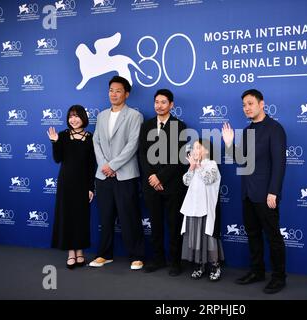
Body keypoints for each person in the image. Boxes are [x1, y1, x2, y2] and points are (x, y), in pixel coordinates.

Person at [222, 89, 287, 294]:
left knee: (273, 237)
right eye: (244, 105)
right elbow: (241, 161)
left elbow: (279, 164)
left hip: (266, 195)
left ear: (262, 104)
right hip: (247, 193)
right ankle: (257, 271)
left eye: (250, 103)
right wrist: (229, 143)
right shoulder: (248, 130)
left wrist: (273, 192)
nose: (246, 108)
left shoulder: (275, 129)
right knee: (253, 235)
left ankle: (279, 277)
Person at [89, 76, 145, 270]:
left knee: (129, 216)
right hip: (103, 175)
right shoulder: (102, 115)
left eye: (118, 90)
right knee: (105, 217)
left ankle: (137, 256)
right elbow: (95, 141)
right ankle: (105, 254)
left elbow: (132, 145)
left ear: (126, 94)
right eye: (111, 90)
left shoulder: (134, 116)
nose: (114, 94)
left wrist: (113, 165)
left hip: (125, 175)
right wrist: (105, 165)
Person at [139, 89, 187, 276]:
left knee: (174, 225)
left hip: (172, 185)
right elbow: (142, 153)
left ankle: (175, 262)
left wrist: (161, 177)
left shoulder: (180, 126)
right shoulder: (147, 125)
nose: (159, 105)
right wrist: (152, 176)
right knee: (156, 224)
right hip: (151, 185)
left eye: (163, 102)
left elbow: (178, 157)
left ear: (171, 105)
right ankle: (158, 259)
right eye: (156, 102)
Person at [47, 105, 96, 269]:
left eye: (76, 116)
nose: (73, 119)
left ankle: (80, 252)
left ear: (83, 117)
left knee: (81, 218)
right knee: (67, 217)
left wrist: (91, 187)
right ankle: (71, 253)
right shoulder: (62, 135)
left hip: (83, 184)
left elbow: (91, 165)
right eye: (70, 116)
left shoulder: (90, 137)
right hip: (66, 183)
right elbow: (57, 159)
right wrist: (54, 142)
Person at [180, 139, 224, 281]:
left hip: (206, 209)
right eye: (193, 148)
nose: (194, 151)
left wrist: (197, 166)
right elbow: (185, 181)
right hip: (193, 208)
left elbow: (208, 179)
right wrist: (191, 168)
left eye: (198, 148)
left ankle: (215, 266)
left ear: (207, 151)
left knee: (209, 237)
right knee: (195, 238)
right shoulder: (193, 166)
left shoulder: (212, 165)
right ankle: (199, 265)